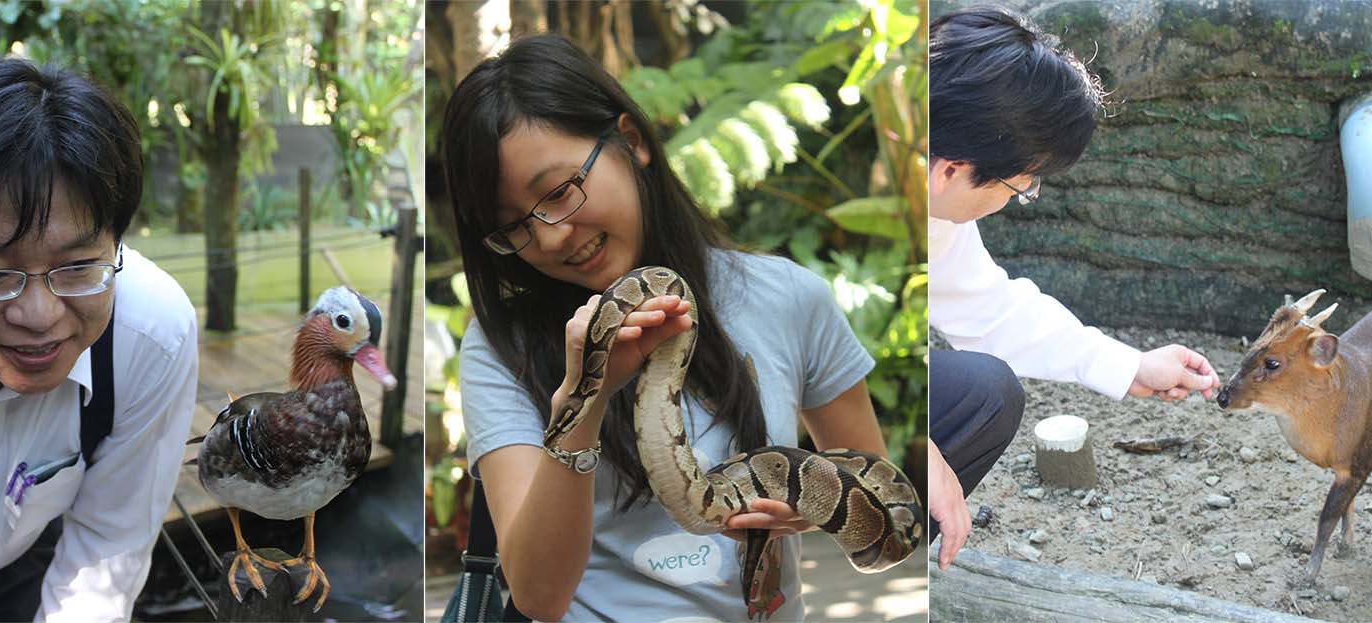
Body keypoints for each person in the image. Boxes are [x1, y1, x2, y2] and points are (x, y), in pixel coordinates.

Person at [441, 34, 894, 622]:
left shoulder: (790, 298)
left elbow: (884, 526)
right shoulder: (501, 346)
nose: (550, 237)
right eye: (514, 228)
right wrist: (588, 395)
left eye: (558, 192)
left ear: (630, 142)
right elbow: (537, 597)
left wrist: (816, 508)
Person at [0, 59, 198, 622]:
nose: (40, 316)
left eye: (77, 268)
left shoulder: (151, 334)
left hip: (15, 586)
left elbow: (106, 550)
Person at [925, 8, 1222, 572]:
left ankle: (870, 534)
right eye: (1021, 183)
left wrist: (1129, 365)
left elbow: (987, 309)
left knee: (986, 390)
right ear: (952, 171)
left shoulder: (938, 206)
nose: (1020, 195)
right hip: (758, 401)